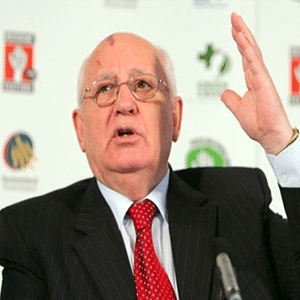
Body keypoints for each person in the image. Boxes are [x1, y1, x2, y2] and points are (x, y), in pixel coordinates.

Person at [0, 12, 299, 300]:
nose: (124, 104)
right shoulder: (32, 234)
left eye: (142, 85)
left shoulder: (239, 202)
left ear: (175, 117)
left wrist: (280, 139)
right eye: (104, 89)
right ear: (80, 129)